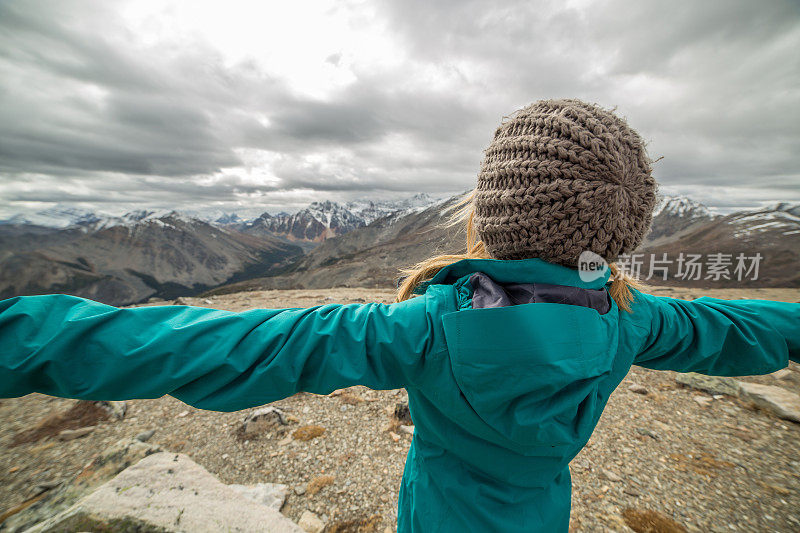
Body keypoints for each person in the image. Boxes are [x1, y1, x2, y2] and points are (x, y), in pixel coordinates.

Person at [1, 98, 798, 532]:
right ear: (619, 234)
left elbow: (222, 346)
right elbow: (739, 329)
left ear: (492, 213)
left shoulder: (416, 326)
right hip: (539, 511)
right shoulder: (636, 320)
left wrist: (23, 337)